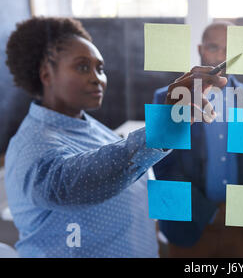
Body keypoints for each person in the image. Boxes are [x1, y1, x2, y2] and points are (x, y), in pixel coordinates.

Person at [4, 17, 226, 257]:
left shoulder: (91, 127)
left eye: (100, 68)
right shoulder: (32, 144)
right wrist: (164, 128)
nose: (97, 78)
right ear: (46, 74)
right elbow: (72, 184)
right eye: (82, 67)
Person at [152, 22, 243, 257]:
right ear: (200, 49)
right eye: (214, 47)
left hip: (239, 223)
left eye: (229, 50)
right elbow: (163, 166)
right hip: (186, 224)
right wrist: (209, 212)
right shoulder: (167, 98)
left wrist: (239, 211)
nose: (221, 56)